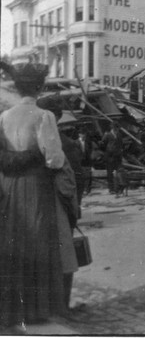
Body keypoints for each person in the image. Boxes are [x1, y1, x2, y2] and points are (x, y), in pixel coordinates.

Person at [0, 62, 67, 334]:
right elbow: (54, 158)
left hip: (9, 186)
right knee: (39, 243)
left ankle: (12, 310)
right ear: (39, 88)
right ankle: (37, 310)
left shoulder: (3, 117)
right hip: (36, 186)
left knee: (12, 243)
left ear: (16, 87)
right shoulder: (43, 116)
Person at [36, 97, 80, 310]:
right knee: (65, 255)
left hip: (39, 208)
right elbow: (76, 184)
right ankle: (62, 305)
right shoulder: (70, 145)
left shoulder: (32, 141)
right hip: (64, 207)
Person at [101, 122, 123, 194]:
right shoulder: (107, 135)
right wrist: (108, 150)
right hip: (109, 156)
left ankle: (119, 188)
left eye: (117, 128)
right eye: (115, 128)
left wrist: (120, 151)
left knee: (119, 172)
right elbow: (103, 144)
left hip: (118, 156)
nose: (116, 130)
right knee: (110, 173)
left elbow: (121, 144)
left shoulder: (119, 135)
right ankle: (111, 189)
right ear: (112, 128)